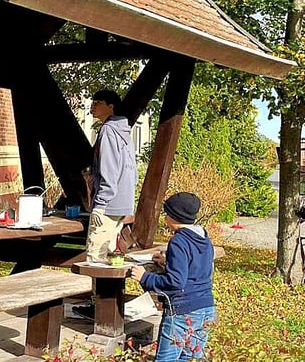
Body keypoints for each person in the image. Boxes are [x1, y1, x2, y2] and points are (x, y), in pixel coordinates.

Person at [130, 192, 215, 362]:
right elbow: (197, 268)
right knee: (190, 358)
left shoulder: (178, 241)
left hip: (183, 310)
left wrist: (144, 276)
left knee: (167, 359)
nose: (165, 217)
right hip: (206, 307)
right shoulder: (204, 238)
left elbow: (175, 282)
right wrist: (168, 262)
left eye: (167, 213)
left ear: (174, 216)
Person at [85, 88, 137, 264]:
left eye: (98, 102)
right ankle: (105, 292)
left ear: (110, 106)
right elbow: (131, 171)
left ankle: (96, 292)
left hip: (107, 205)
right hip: (121, 204)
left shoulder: (108, 130)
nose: (92, 106)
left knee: (95, 260)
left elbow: (109, 169)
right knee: (110, 259)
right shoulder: (124, 132)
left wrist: (100, 204)